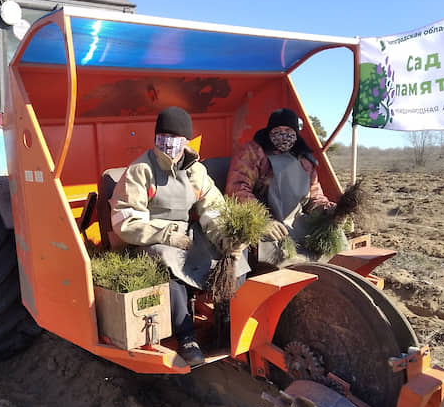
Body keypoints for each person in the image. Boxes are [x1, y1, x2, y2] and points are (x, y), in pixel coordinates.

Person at [109, 106, 248, 366]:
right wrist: (163, 234)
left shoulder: (196, 171)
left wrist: (224, 238)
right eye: (163, 136)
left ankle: (227, 319)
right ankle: (186, 335)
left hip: (186, 233)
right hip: (149, 238)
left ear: (186, 141)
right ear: (155, 138)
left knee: (234, 253)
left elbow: (212, 209)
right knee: (167, 261)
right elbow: (124, 220)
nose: (169, 143)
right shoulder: (141, 170)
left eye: (175, 137)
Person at [225, 108, 337, 267]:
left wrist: (329, 211)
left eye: (288, 131)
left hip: (296, 223)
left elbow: (314, 198)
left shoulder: (305, 160)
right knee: (277, 259)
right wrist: (262, 221)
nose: (283, 135)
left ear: (296, 135)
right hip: (265, 223)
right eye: (277, 130)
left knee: (326, 249)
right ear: (269, 132)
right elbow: (237, 189)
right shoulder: (252, 152)